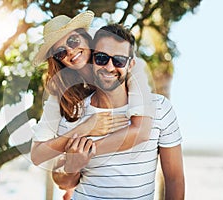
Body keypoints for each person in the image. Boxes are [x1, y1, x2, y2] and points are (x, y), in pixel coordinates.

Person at [52, 24, 185, 200]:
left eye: (119, 61)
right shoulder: (75, 114)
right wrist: (72, 165)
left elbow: (174, 179)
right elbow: (63, 183)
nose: (109, 67)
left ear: (131, 65)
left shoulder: (159, 108)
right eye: (101, 58)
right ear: (92, 61)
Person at [31, 10, 154, 167]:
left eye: (73, 40)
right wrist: (84, 128)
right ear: (58, 59)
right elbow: (36, 155)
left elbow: (142, 131)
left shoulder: (123, 65)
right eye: (60, 52)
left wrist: (83, 154)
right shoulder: (62, 93)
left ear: (85, 36)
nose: (70, 51)